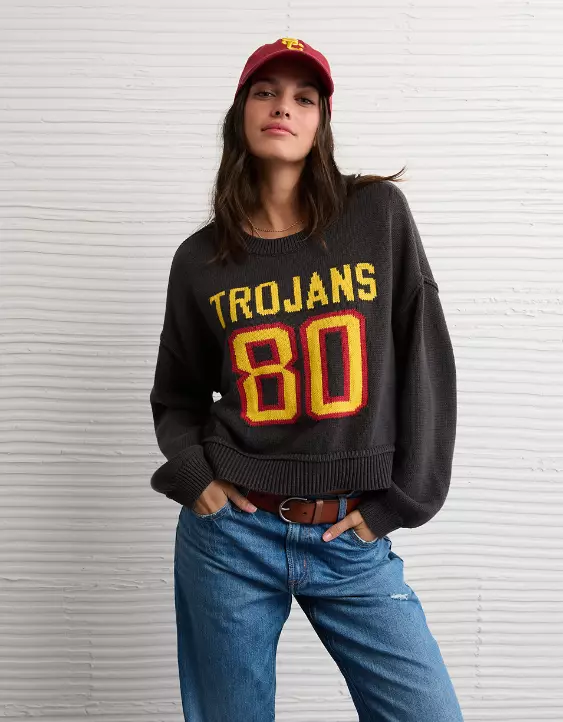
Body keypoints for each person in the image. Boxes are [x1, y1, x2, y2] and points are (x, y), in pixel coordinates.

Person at [149, 36, 464, 722]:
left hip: (347, 534)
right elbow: (176, 395)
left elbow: (425, 361)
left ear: (321, 121)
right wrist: (195, 478)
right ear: (240, 113)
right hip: (230, 536)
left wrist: (400, 504)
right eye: (265, 93)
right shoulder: (200, 260)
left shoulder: (377, 217)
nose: (282, 108)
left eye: (304, 97)